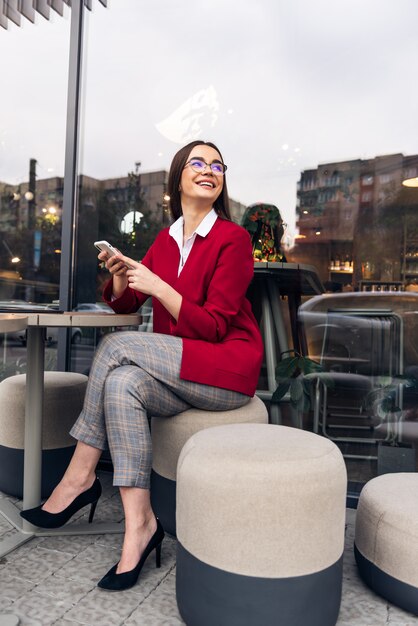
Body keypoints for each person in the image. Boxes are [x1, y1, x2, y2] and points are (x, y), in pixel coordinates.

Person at [20, 140, 264, 592]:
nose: (209, 170)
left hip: (227, 369)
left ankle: (78, 477)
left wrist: (159, 285)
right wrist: (119, 271)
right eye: (198, 162)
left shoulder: (234, 239)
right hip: (184, 369)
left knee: (116, 351)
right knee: (123, 383)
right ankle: (141, 525)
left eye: (217, 165)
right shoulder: (167, 239)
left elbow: (212, 326)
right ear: (178, 176)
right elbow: (126, 302)